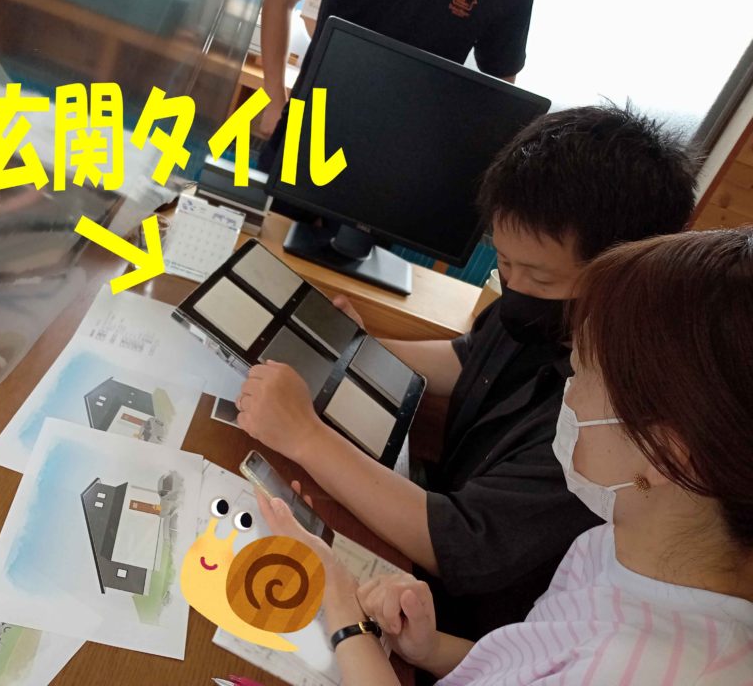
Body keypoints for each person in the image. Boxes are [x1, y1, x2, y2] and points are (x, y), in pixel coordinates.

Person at [237, 105, 699, 641]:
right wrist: (352, 344)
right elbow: (468, 359)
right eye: (504, 262)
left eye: (540, 279)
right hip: (415, 542)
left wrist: (305, 435)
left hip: (455, 629)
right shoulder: (539, 313)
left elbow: (460, 541)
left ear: (624, 276)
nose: (514, 285)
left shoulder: (607, 422)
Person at [259, 226, 753, 685]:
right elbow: (528, 659)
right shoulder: (616, 541)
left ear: (667, 455)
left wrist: (341, 604)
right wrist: (431, 648)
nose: (567, 395)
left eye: (583, 376)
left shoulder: (644, 670)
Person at [258, 0, 535, 173]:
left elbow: (500, 85)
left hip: (408, 159)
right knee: (268, 209)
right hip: (310, 126)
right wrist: (273, 98)